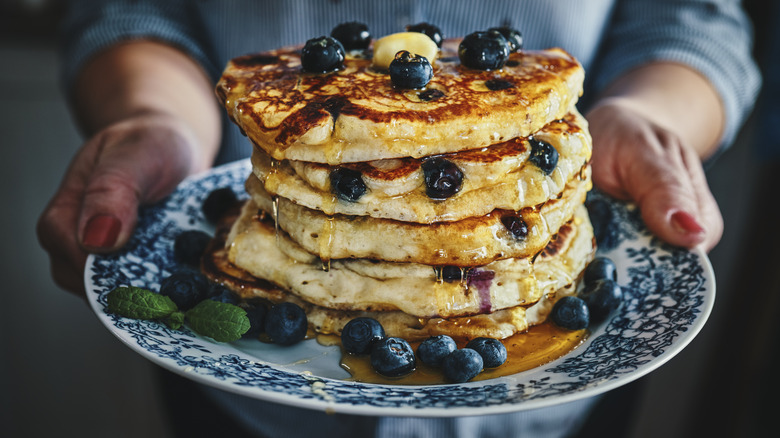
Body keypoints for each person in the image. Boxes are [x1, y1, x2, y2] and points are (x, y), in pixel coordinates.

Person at [37, 1, 760, 437]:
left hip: (550, 416)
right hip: (245, 405)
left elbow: (691, 20)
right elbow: (127, 9)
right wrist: (155, 116)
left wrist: (646, 116)